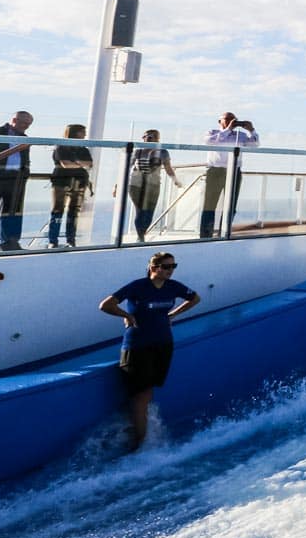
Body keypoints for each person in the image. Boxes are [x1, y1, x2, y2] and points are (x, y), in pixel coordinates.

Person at [99, 251, 201, 449]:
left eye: (173, 266)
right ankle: (138, 444)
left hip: (163, 344)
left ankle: (142, 436)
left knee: (148, 391)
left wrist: (172, 315)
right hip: (138, 347)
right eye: (166, 267)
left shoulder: (173, 287)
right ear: (154, 268)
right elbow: (106, 305)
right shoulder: (138, 286)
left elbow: (195, 298)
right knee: (140, 395)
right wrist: (126, 315)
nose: (170, 271)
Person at [201, 112, 259, 238]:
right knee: (210, 205)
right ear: (219, 121)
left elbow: (255, 144)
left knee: (231, 204)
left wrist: (252, 130)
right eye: (227, 119)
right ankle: (205, 235)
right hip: (215, 171)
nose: (231, 121)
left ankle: (225, 232)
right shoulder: (212, 132)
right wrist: (228, 130)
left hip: (234, 171)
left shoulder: (240, 135)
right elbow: (210, 142)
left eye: (233, 119)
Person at [0, 110, 33, 251]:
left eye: (29, 124)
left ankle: (10, 243)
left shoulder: (25, 137)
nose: (26, 126)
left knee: (13, 212)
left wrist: (25, 174)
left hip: (16, 179)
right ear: (14, 119)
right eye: (24, 122)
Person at [128, 130, 182, 243]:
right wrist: (118, 185)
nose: (147, 139)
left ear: (158, 139)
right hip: (135, 184)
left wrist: (175, 180)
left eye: (151, 137)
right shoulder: (137, 152)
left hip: (153, 185)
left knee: (148, 211)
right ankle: (140, 236)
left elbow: (168, 167)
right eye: (145, 137)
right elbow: (127, 168)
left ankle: (142, 232)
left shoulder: (162, 152)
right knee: (140, 210)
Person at [47, 123, 93, 248]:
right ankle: (53, 240)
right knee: (57, 210)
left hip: (79, 182)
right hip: (61, 181)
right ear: (75, 133)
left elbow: (90, 164)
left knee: (73, 212)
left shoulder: (83, 149)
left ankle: (71, 240)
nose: (85, 135)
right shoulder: (61, 147)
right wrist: (80, 163)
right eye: (83, 132)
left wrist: (75, 162)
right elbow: (66, 164)